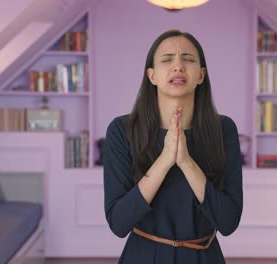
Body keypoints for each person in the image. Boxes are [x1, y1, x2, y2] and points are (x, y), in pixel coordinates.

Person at [103, 29, 243, 264]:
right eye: (167, 60)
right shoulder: (121, 130)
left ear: (200, 75)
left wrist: (186, 162)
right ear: (152, 76)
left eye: (187, 59)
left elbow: (228, 222)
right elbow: (119, 223)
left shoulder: (224, 129)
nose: (178, 66)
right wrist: (165, 160)